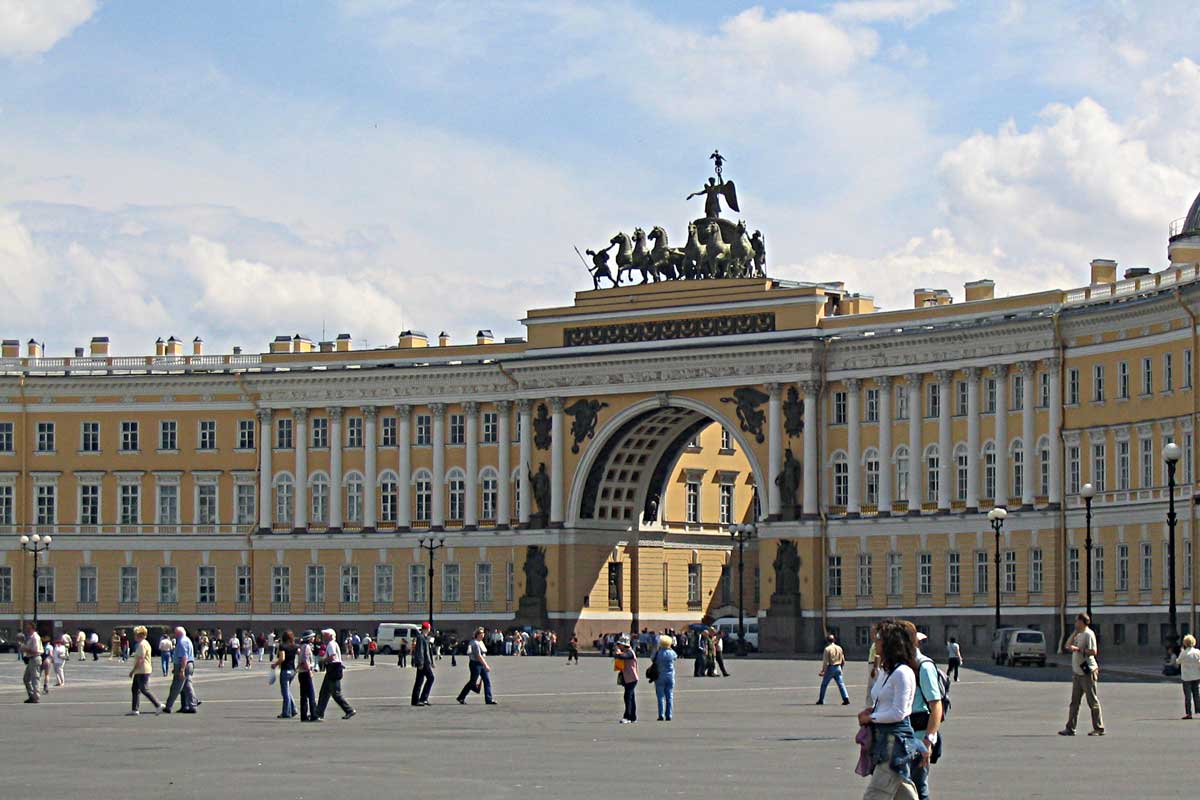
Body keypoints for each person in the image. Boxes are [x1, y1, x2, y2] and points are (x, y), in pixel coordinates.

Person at [857, 623, 926, 800]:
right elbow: (881, 699)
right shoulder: (887, 671)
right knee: (901, 792)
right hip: (882, 739)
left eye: (879, 638)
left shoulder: (903, 673)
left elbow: (899, 712)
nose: (875, 642)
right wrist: (873, 710)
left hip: (894, 742)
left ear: (890, 643)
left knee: (875, 795)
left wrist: (871, 717)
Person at [910, 631, 944, 800]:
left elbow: (936, 705)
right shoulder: (902, 664)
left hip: (919, 735)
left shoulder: (924, 666)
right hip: (905, 737)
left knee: (918, 787)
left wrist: (928, 741)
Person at [1059, 612, 1105, 736]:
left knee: (1092, 701)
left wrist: (1079, 650)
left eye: (1076, 621)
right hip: (1077, 673)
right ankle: (1070, 728)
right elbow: (1067, 645)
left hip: (1087, 672)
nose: (1075, 623)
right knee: (1074, 702)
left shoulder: (1089, 634)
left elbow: (1093, 651)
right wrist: (1074, 633)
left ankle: (1098, 728)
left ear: (1082, 622)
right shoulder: (1078, 634)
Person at [315, 629, 355, 721]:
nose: (323, 636)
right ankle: (318, 713)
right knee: (324, 692)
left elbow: (333, 656)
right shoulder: (333, 643)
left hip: (333, 669)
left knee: (335, 693)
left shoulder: (331, 644)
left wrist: (323, 660)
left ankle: (349, 710)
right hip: (333, 669)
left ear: (330, 635)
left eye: (325, 634)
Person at [127, 626, 163, 716]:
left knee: (144, 689)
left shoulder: (142, 644)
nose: (134, 636)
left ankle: (158, 705)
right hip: (140, 670)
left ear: (140, 635)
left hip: (142, 670)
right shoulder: (143, 643)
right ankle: (135, 709)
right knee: (135, 689)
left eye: (135, 634)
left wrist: (133, 671)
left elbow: (141, 659)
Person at [457, 627, 497, 705]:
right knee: (472, 682)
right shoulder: (474, 643)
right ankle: (461, 697)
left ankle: (489, 699)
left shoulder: (481, 642)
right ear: (477, 634)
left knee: (487, 681)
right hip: (475, 664)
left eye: (483, 633)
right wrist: (486, 665)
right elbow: (478, 656)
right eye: (481, 633)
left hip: (480, 663)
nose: (483, 635)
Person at [163, 626, 197, 714]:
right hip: (189, 664)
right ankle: (192, 705)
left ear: (178, 633)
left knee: (176, 686)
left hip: (184, 665)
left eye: (175, 633)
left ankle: (168, 706)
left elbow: (184, 657)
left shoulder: (182, 642)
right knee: (187, 685)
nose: (174, 635)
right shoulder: (187, 640)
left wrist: (181, 670)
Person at [817, 633, 850, 705]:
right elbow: (843, 660)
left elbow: (825, 662)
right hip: (838, 666)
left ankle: (821, 699)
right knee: (841, 684)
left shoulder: (827, 649)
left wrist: (823, 671)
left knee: (824, 684)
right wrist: (841, 668)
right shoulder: (839, 648)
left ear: (827, 641)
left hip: (831, 667)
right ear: (834, 640)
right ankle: (846, 698)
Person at [272, 630, 298, 719]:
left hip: (285, 670)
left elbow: (282, 658)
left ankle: (286, 712)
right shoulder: (295, 646)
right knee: (287, 690)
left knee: (285, 692)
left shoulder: (283, 646)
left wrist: (275, 664)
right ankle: (293, 709)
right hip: (292, 671)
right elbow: (300, 654)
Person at [652, 635, 677, 721]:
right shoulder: (672, 652)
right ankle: (669, 715)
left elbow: (652, 658)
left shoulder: (658, 653)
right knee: (669, 696)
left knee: (660, 697)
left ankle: (661, 714)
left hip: (660, 675)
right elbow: (675, 657)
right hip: (670, 675)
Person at [614, 635, 639, 723]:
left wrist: (618, 652)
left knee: (627, 697)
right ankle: (633, 717)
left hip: (632, 678)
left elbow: (623, 656)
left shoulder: (630, 652)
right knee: (631, 697)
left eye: (620, 644)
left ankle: (627, 716)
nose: (618, 646)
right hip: (627, 677)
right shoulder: (624, 651)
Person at [1176, 633, 1200, 719]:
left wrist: (1181, 652)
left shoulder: (1184, 653)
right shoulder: (1197, 652)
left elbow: (1178, 661)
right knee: (1197, 694)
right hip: (1196, 676)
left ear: (1185, 643)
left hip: (1186, 677)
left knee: (1188, 696)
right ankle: (1198, 710)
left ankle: (1189, 713)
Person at [411, 622, 435, 706]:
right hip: (423, 662)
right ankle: (423, 698)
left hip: (425, 662)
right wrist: (420, 663)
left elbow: (428, 651)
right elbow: (420, 651)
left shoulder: (425, 638)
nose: (429, 630)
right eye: (429, 628)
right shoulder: (421, 638)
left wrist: (431, 662)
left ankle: (416, 700)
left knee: (419, 681)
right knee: (431, 678)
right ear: (427, 628)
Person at [21, 623, 41, 703]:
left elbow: (36, 650)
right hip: (31, 659)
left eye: (28, 628)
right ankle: (32, 695)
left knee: (35, 679)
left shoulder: (35, 637)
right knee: (26, 679)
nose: (27, 630)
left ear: (33, 628)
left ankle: (36, 697)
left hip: (35, 658)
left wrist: (25, 649)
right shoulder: (31, 637)